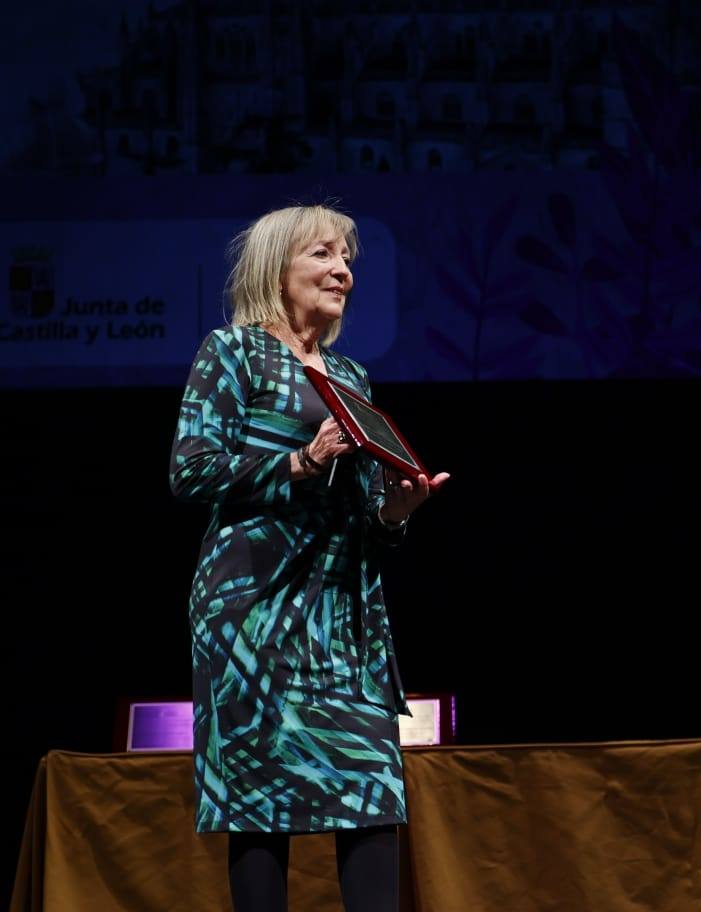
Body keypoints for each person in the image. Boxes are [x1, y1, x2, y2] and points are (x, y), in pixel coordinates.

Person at [170, 204, 449, 911]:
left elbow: (362, 516)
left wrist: (395, 512)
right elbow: (191, 472)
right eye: (324, 255)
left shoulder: (351, 375)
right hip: (252, 613)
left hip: (341, 616)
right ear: (278, 269)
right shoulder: (232, 353)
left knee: (370, 792)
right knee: (262, 807)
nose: (343, 271)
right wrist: (299, 459)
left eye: (348, 258)